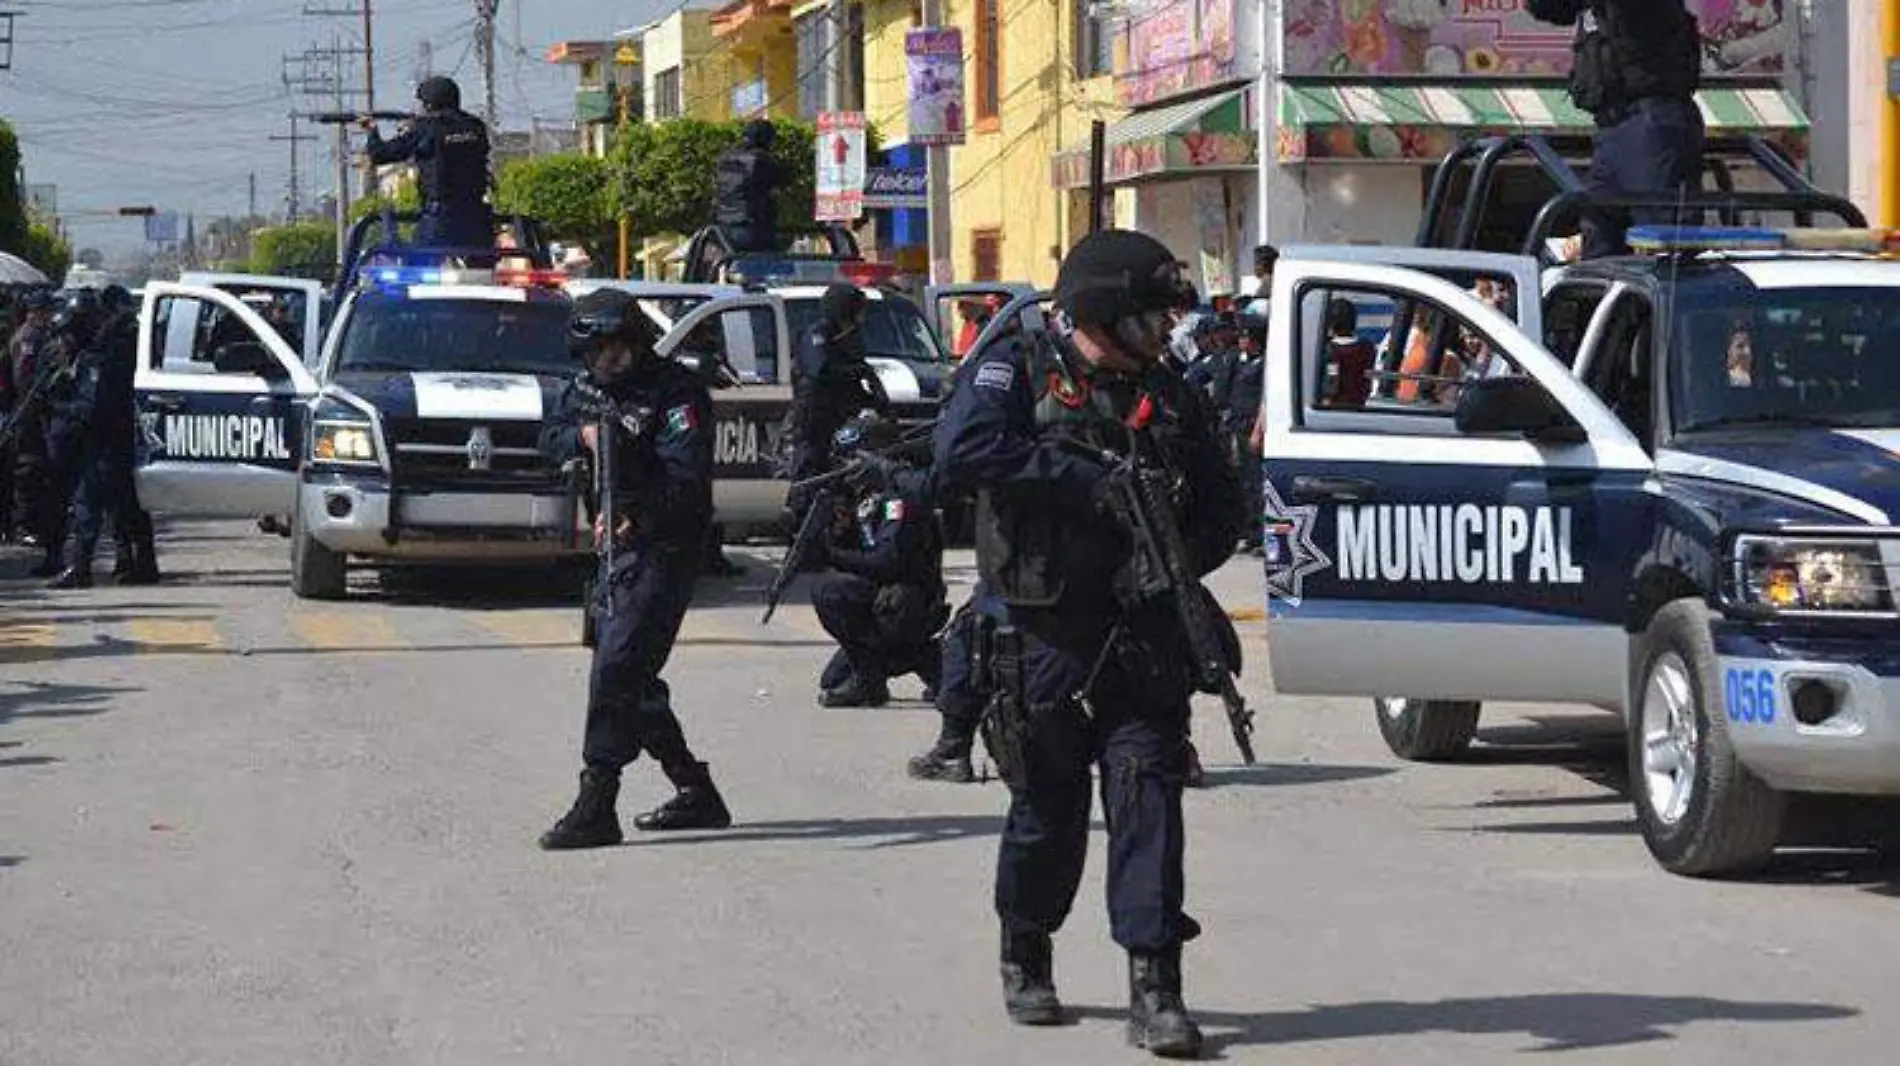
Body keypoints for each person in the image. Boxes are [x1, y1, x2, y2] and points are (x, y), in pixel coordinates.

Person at [935, 229, 1245, 1057]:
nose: (1160, 337)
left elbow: (1224, 506)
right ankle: (1026, 951)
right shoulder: (1020, 369)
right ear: (1103, 313)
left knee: (1150, 799)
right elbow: (962, 449)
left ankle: (1157, 985)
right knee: (1048, 808)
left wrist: (1171, 554)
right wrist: (1088, 486)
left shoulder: (1171, 394)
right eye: (1146, 320)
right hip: (1042, 634)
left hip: (1142, 635)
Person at [536, 288, 733, 850]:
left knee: (617, 670)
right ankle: (694, 789)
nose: (609, 361)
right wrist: (583, 437)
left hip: (664, 548)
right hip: (611, 554)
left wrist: (637, 517)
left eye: (618, 349)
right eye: (597, 351)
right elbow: (547, 439)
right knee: (631, 677)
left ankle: (598, 799)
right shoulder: (582, 392)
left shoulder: (675, 393)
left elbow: (687, 479)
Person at [1528, 0, 1705, 259]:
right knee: (1599, 246)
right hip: (1613, 129)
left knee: (1662, 249)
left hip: (1651, 126)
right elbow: (1553, 9)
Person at [809, 412, 947, 708]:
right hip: (881, 595)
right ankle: (926, 661)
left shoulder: (898, 495)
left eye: (852, 461)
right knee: (832, 680)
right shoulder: (863, 495)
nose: (845, 469)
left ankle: (877, 677)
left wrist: (831, 555)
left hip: (908, 598)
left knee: (828, 593)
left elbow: (888, 561)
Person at [48, 286, 158, 588]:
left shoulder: (97, 358)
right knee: (127, 505)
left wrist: (62, 406)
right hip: (118, 439)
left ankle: (80, 569)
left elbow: (94, 407)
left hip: (105, 442)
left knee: (89, 504)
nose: (64, 340)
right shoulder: (107, 350)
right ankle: (138, 562)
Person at [785, 283, 888, 527]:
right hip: (814, 416)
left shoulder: (850, 338)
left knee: (839, 478)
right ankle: (801, 527)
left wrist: (876, 401)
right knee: (811, 472)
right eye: (857, 309)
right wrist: (859, 371)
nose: (862, 317)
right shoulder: (818, 335)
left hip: (840, 418)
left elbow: (852, 384)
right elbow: (821, 372)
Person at [361, 76, 494, 250]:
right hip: (476, 217)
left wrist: (372, 131)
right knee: (481, 272)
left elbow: (380, 154)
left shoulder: (426, 128)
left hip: (441, 218)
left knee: (416, 266)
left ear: (430, 104)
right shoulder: (476, 126)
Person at [1, 289, 55, 547]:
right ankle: (23, 525)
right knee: (28, 468)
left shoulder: (38, 335)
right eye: (44, 311)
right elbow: (25, 378)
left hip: (30, 410)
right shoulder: (29, 338)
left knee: (36, 468)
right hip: (27, 410)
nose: (48, 316)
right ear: (34, 312)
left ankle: (32, 522)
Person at [712, 119, 783, 255]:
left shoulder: (725, 158)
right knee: (779, 265)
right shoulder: (760, 160)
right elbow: (781, 180)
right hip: (750, 226)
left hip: (722, 228)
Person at [1321, 299, 1375, 410]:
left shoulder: (1328, 350)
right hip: (1359, 407)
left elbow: (1331, 386)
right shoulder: (1367, 348)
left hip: (1333, 410)